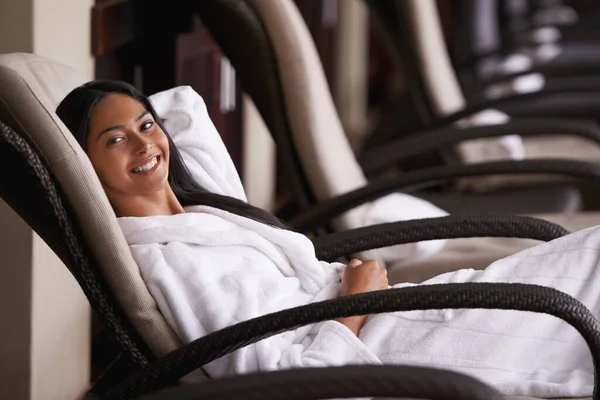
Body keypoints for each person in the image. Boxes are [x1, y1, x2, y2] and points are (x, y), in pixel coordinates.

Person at [57, 80, 600, 399]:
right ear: (84, 164)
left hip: (388, 315)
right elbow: (284, 386)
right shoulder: (171, 264)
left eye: (146, 125)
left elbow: (183, 105)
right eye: (115, 139)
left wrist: (131, 119)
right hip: (383, 349)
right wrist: (352, 305)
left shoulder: (200, 210)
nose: (143, 143)